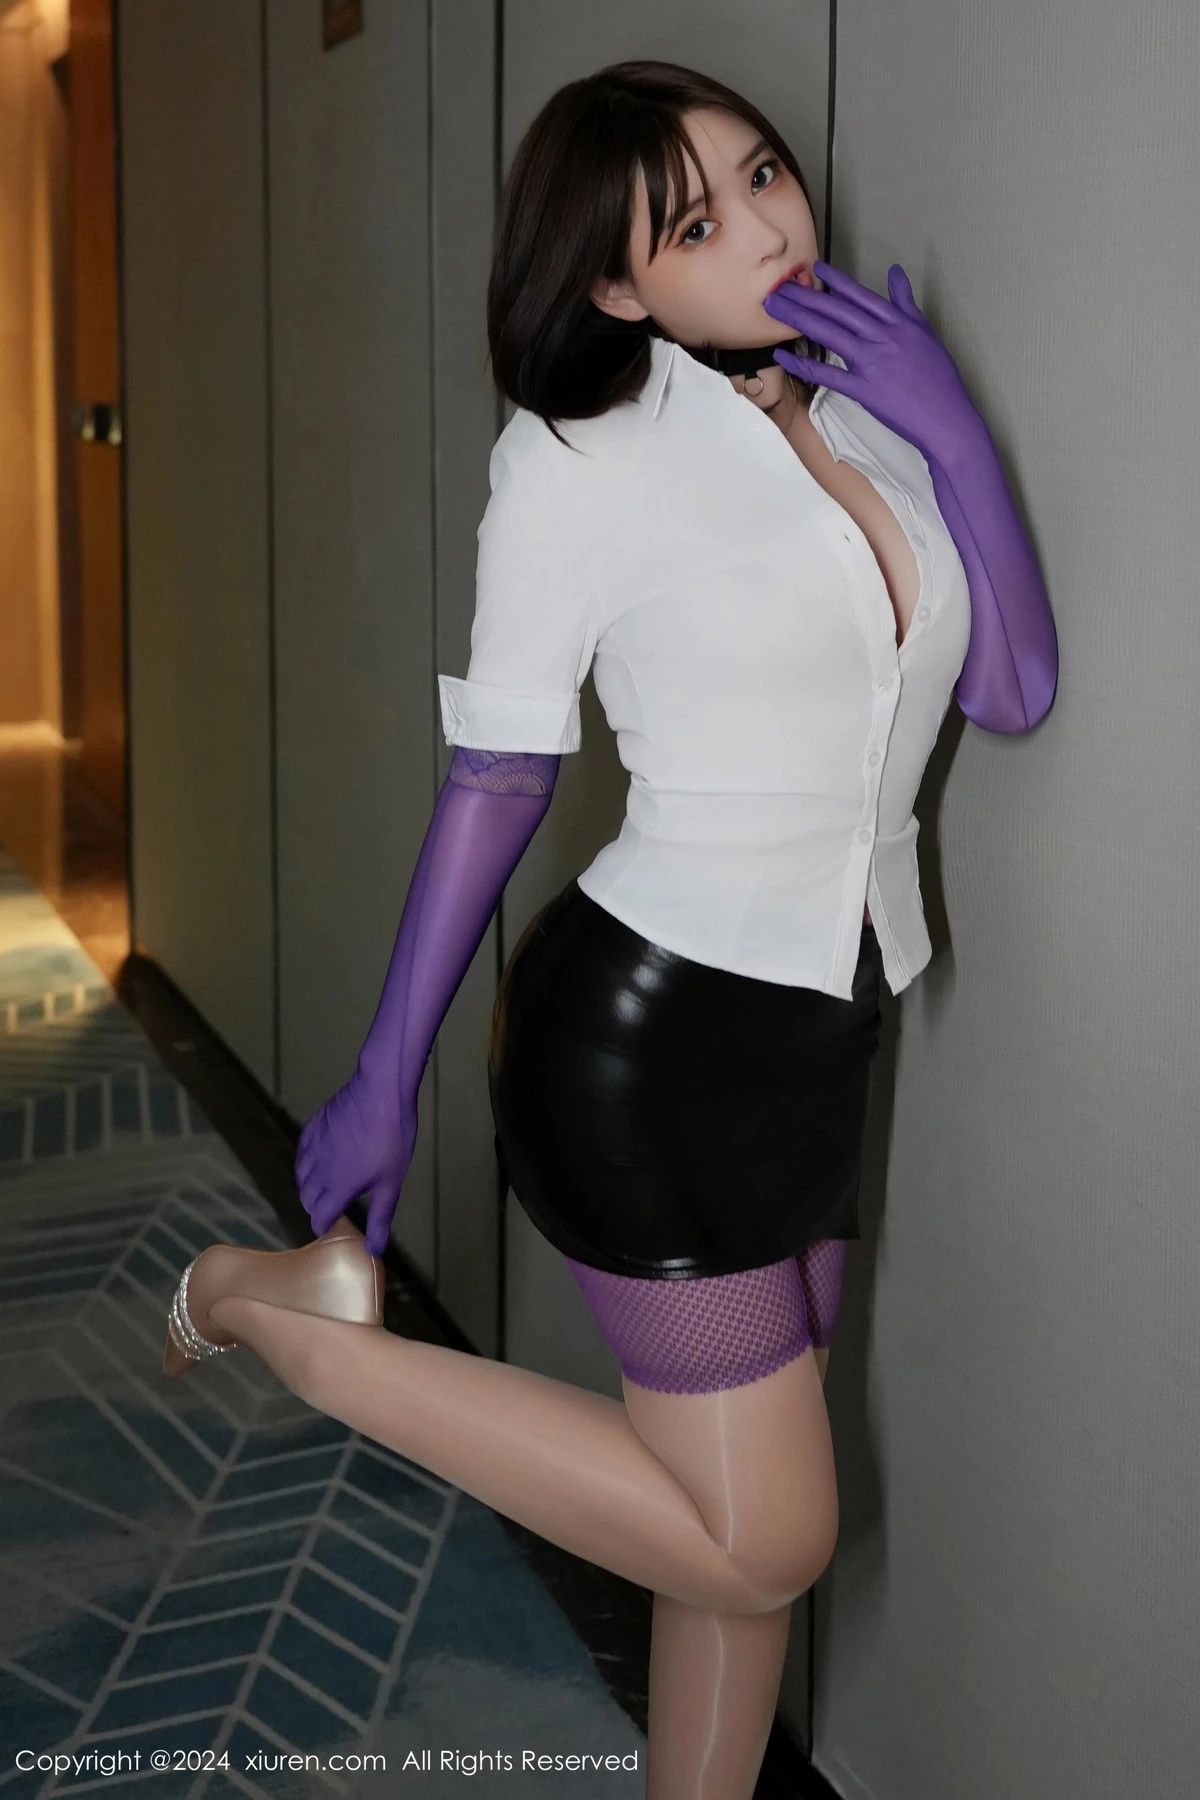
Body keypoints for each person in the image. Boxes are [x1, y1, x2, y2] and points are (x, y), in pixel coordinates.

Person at [160, 61, 1057, 1795]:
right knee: (767, 1535)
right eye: (698, 223)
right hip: (642, 1045)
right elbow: (499, 775)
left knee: (723, 1554)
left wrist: (948, 428)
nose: (769, 229)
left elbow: (1010, 687)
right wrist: (385, 1077)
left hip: (822, 1036)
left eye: (766, 175)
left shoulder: (866, 408)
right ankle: (281, 1322)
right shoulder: (576, 452)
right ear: (618, 287)